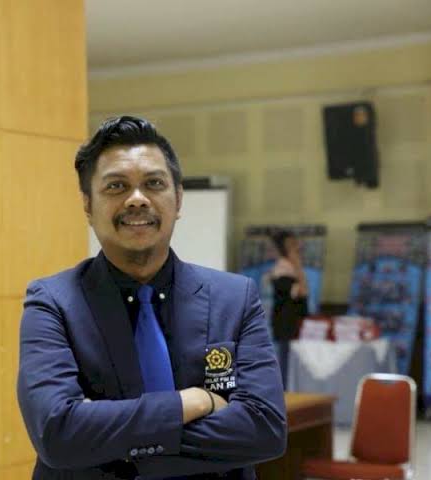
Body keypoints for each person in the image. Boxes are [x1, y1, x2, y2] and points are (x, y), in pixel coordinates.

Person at [17, 116, 286, 479]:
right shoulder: (52, 302)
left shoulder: (235, 299)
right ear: (87, 205)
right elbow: (58, 434)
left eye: (154, 183)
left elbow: (265, 429)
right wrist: (192, 402)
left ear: (178, 199)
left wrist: (111, 441)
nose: (137, 199)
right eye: (116, 186)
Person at [270, 230, 309, 389]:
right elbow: (301, 292)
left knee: (290, 359)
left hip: (294, 323)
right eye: (292, 244)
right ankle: (283, 391)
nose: (296, 247)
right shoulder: (283, 270)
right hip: (285, 324)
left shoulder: (290, 268)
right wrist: (298, 266)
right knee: (284, 360)